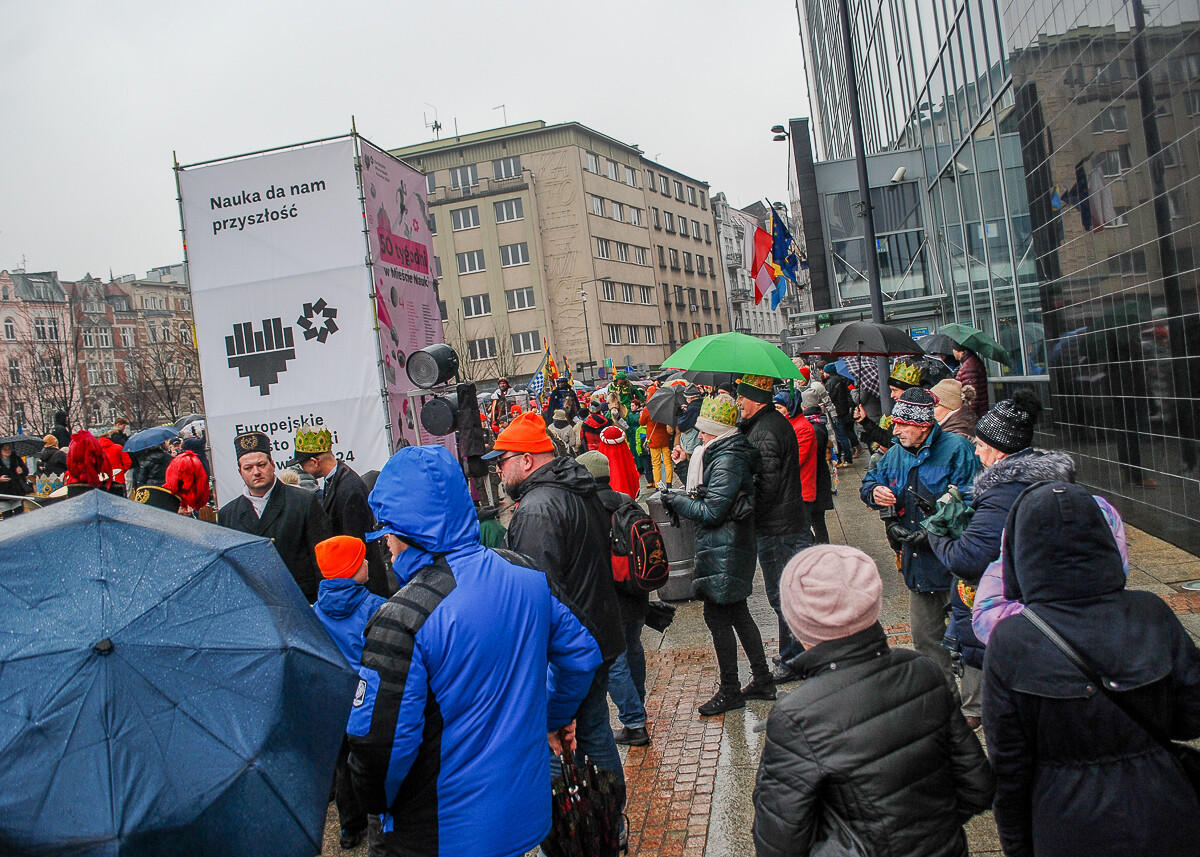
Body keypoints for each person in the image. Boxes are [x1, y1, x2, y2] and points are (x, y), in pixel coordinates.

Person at [349, 445, 602, 857]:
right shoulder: (524, 572)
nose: (387, 544)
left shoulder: (402, 618)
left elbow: (381, 749)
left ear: (406, 531)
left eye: (388, 531)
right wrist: (552, 716)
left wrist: (379, 809)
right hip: (524, 810)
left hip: (441, 832)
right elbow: (582, 654)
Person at [984, 481, 1200, 857]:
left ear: (1021, 551)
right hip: (1164, 812)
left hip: (1067, 822)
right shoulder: (1151, 611)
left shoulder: (1012, 639)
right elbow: (1192, 714)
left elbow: (1009, 765)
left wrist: (1017, 843)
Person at [753, 544, 994, 857]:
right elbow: (978, 786)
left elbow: (778, 845)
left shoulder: (796, 717)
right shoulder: (924, 671)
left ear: (797, 621)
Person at [489, 412, 627, 841]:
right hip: (596, 633)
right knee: (594, 731)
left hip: (570, 650)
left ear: (527, 460)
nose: (498, 471)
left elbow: (536, 596)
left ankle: (580, 829)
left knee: (567, 740)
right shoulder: (576, 486)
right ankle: (609, 821)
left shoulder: (536, 509)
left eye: (503, 461)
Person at [923, 390, 1065, 728]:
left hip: (1013, 609)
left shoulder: (1003, 491)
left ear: (999, 452)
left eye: (981, 445)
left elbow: (967, 559)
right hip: (1046, 601)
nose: (976, 451)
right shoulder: (1044, 478)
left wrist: (936, 531)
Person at [662, 395, 776, 715]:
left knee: (718, 617)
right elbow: (712, 493)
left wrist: (676, 500)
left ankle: (730, 690)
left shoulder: (728, 458)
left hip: (726, 548)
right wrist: (684, 464)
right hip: (726, 546)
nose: (700, 435)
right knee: (737, 612)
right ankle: (763, 679)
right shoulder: (722, 452)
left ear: (719, 431)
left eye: (705, 430)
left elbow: (712, 511)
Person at [860, 387, 980, 691]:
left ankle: (975, 706)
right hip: (918, 564)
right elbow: (870, 482)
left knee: (968, 639)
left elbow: (972, 499)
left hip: (955, 564)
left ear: (923, 425)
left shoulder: (957, 449)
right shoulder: (896, 453)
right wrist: (876, 494)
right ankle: (945, 699)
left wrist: (933, 530)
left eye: (902, 424)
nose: (895, 430)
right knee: (926, 640)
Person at [736, 374, 812, 683]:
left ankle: (794, 659)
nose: (738, 402)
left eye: (742, 397)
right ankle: (795, 653)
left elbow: (765, 485)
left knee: (783, 595)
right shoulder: (767, 424)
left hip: (777, 527)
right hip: (784, 522)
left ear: (755, 400)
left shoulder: (765, 430)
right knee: (788, 593)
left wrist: (744, 508)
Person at [312, 535, 385, 850]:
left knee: (342, 765)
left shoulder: (316, 610)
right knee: (371, 762)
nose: (368, 561)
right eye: (361, 559)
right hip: (368, 699)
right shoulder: (375, 607)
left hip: (335, 698)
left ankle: (350, 828)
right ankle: (377, 816)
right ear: (353, 569)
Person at [580, 449, 650, 747]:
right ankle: (638, 702)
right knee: (633, 647)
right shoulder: (626, 500)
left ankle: (634, 722)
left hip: (609, 596)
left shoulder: (588, 508)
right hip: (636, 591)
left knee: (613, 660)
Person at [217, 431, 333, 603]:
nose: (256, 472)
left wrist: (323, 603)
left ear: (272, 464)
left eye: (261, 465)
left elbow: (323, 559)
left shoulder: (303, 501)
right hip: (257, 605)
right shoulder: (228, 514)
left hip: (301, 601)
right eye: (248, 468)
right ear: (240, 472)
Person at [293, 425, 389, 597]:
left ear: (315, 462)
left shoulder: (349, 487)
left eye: (303, 464)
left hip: (364, 585)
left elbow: (355, 543)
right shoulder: (337, 481)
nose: (302, 469)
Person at [773, 392, 817, 529]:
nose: (776, 411)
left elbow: (796, 459)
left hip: (801, 489)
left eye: (779, 408)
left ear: (790, 408)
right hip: (792, 488)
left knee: (801, 532)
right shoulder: (788, 424)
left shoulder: (802, 428)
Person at [801, 406, 834, 544]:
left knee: (817, 521)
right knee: (817, 521)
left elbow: (814, 454)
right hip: (818, 481)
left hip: (817, 482)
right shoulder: (818, 425)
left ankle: (822, 547)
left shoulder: (815, 429)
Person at [819, 363, 856, 465]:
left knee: (840, 436)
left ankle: (846, 458)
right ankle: (846, 457)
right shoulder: (841, 380)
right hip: (843, 410)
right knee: (842, 435)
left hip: (836, 412)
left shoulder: (831, 383)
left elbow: (829, 397)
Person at [639, 400, 675, 487]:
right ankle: (669, 483)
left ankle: (658, 485)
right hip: (665, 438)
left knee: (656, 464)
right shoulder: (665, 408)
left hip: (653, 440)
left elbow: (641, 422)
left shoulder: (647, 409)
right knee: (667, 462)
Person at [672, 385, 703, 485]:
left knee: (691, 464)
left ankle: (692, 483)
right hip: (697, 440)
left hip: (692, 441)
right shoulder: (701, 404)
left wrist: (681, 414)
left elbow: (682, 425)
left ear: (690, 397)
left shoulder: (693, 408)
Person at [953, 345, 989, 417]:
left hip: (973, 416)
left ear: (957, 350)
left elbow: (971, 397)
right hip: (978, 413)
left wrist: (967, 417)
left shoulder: (969, 366)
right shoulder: (971, 362)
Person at [0, 441, 31, 518]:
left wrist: (21, 470)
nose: (7, 451)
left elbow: (26, 471)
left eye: (9, 449)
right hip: (3, 494)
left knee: (20, 516)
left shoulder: (16, 459)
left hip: (16, 491)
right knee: (7, 517)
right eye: (5, 449)